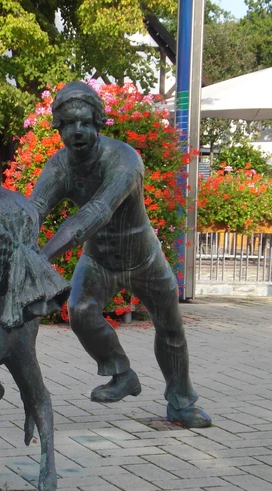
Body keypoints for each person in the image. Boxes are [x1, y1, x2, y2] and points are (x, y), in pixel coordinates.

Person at [29, 81, 211, 428]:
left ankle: (181, 403)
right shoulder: (60, 166)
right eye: (69, 124)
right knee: (81, 311)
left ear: (99, 122)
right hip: (99, 260)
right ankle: (121, 373)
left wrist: (41, 258)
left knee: (171, 329)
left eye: (85, 122)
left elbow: (94, 214)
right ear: (59, 127)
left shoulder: (124, 159)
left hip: (144, 259)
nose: (78, 131)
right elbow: (35, 207)